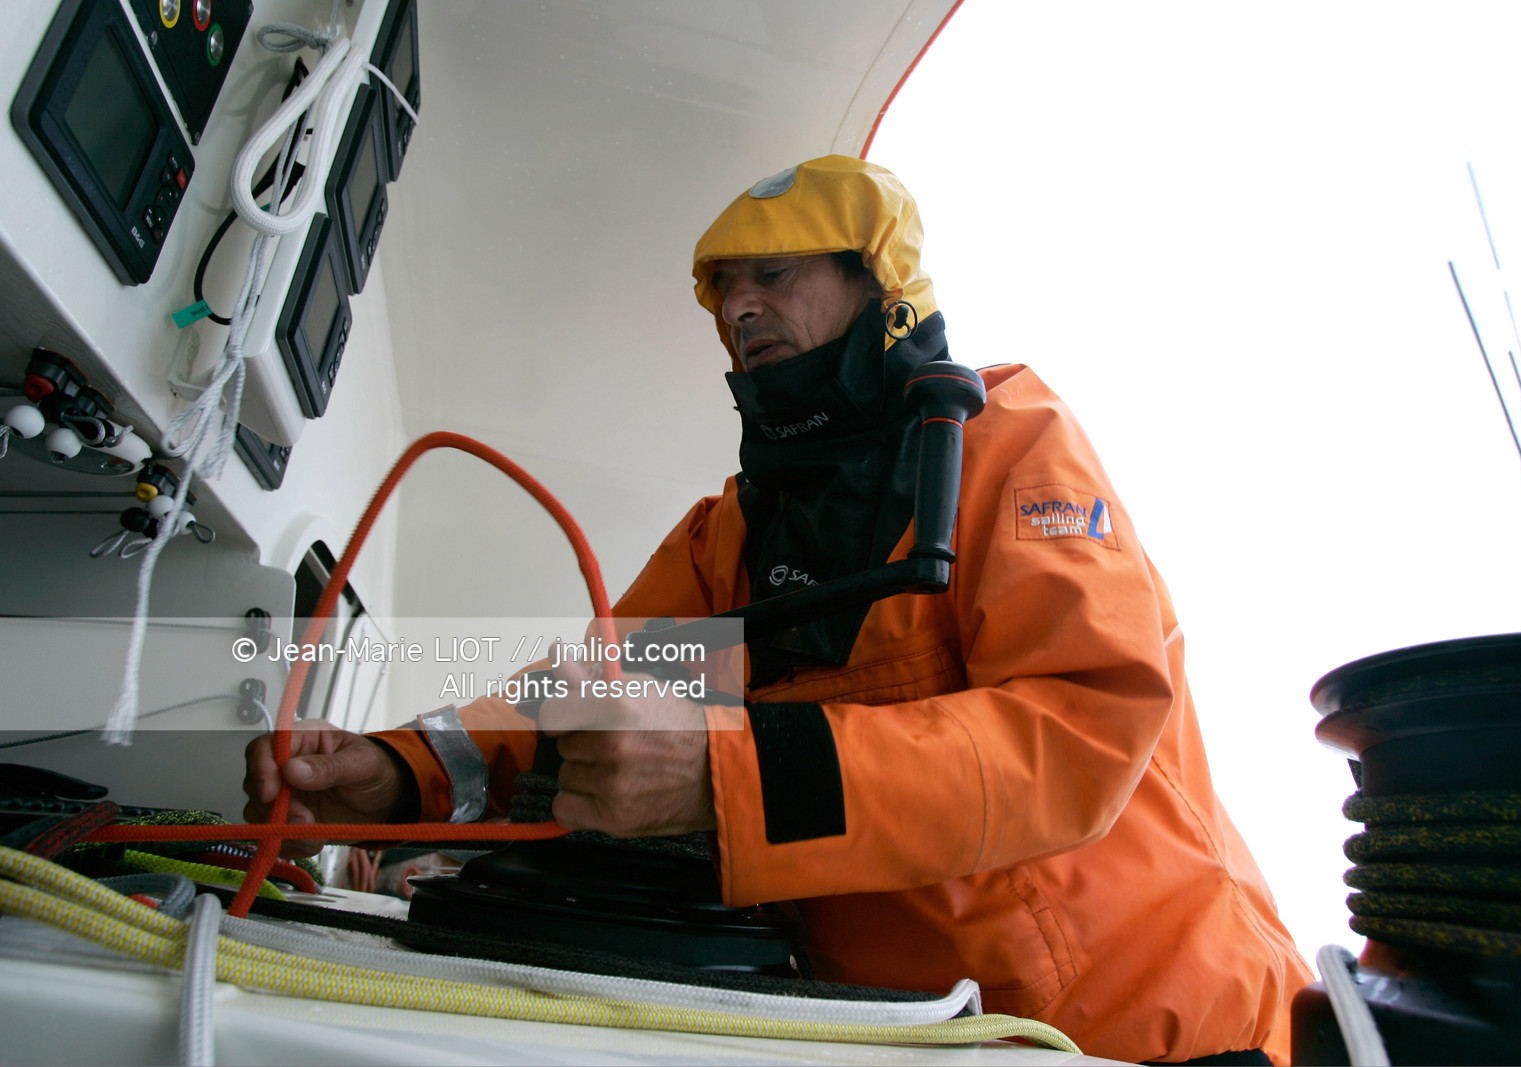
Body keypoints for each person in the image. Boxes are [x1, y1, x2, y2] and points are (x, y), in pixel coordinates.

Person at [245, 155, 1312, 1064]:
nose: (737, 308)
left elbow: (1079, 733)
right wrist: (400, 769)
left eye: (775, 273)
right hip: (909, 1037)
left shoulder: (1011, 445)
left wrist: (725, 777)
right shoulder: (730, 539)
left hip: (1158, 1033)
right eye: (722, 291)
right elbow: (587, 705)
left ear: (878, 282)